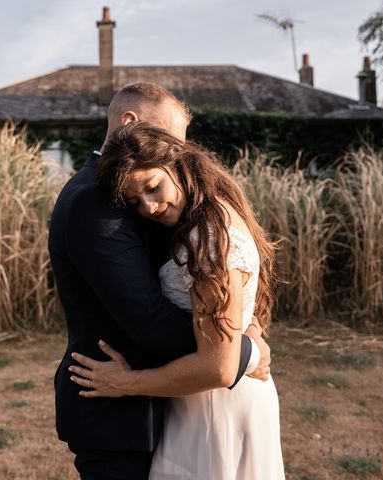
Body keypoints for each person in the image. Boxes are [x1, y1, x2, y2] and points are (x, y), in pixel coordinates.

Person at [48, 82, 272, 480]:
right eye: (169, 140)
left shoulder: (191, 217)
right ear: (129, 124)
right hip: (119, 417)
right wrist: (244, 351)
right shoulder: (94, 202)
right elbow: (151, 319)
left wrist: (234, 336)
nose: (177, 154)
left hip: (174, 405)